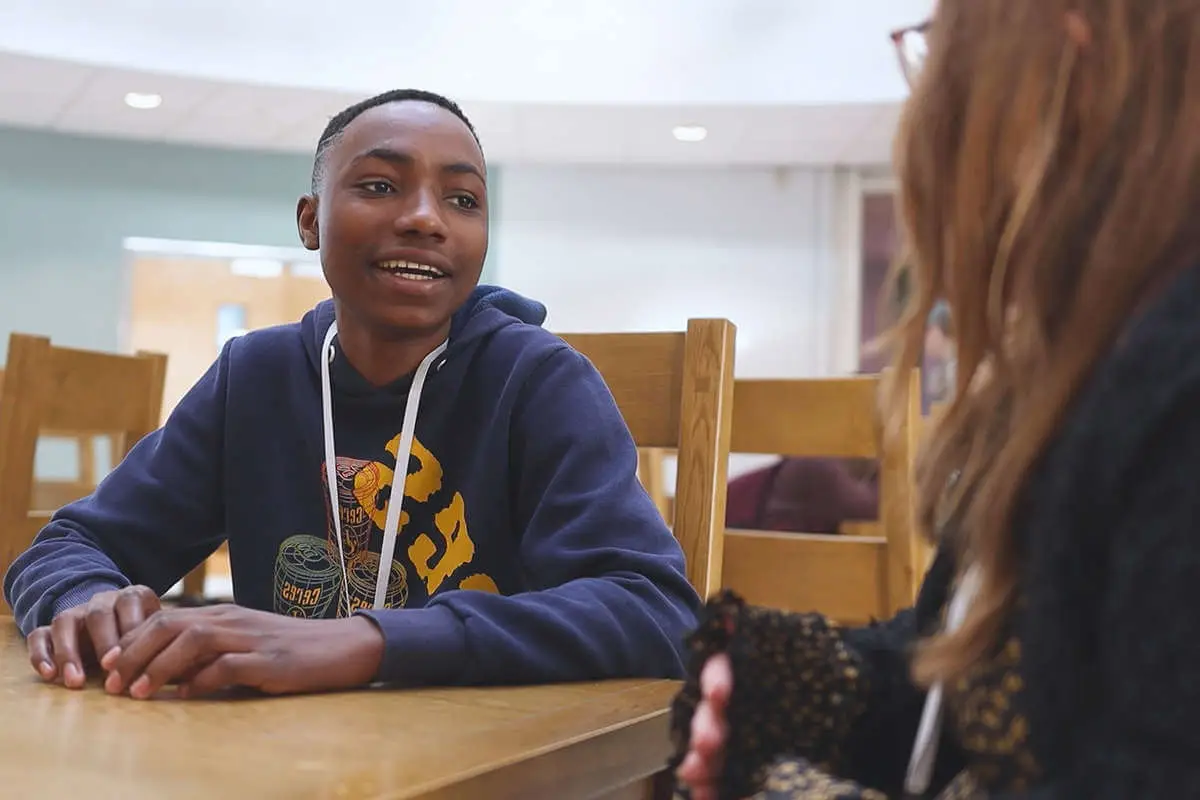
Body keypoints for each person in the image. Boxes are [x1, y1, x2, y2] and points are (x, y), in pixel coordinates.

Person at [3, 89, 700, 699]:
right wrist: (86, 601)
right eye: (379, 186)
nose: (427, 218)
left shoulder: (540, 380)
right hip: (286, 759)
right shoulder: (256, 376)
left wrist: (366, 643)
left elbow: (655, 610)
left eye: (463, 199)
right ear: (309, 221)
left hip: (489, 756)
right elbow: (70, 542)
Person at [672, 0, 1200, 797]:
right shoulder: (1066, 373)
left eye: (946, 37)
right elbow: (962, 675)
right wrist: (810, 686)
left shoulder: (1170, 384)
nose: (932, 82)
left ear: (1071, 41)